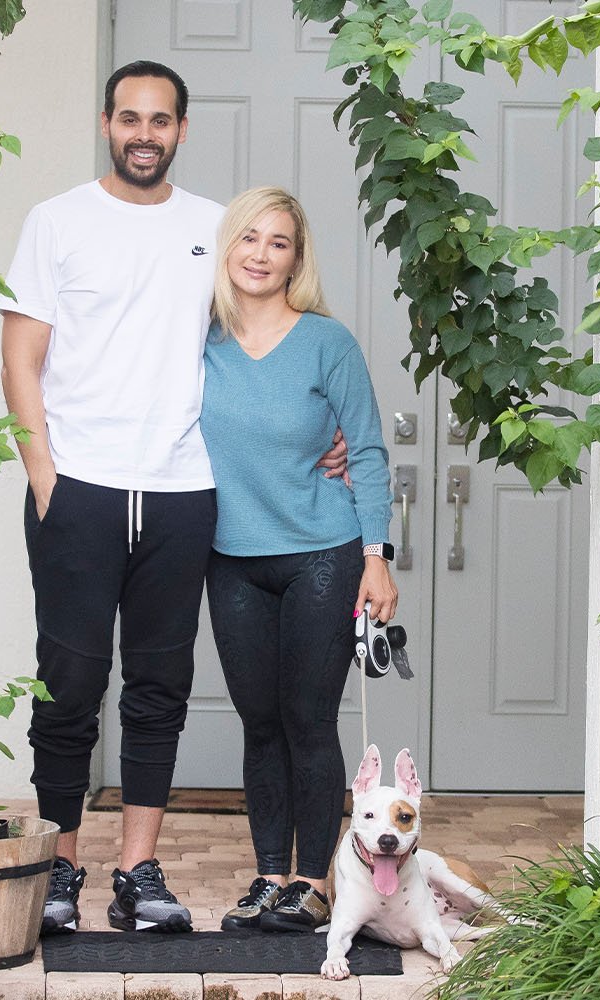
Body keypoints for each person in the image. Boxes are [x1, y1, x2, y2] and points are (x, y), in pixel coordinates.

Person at [0, 63, 347, 935]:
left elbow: (268, 339)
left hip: (186, 495)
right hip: (78, 489)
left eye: (160, 120)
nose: (143, 132)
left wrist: (323, 437)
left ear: (182, 130)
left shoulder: (215, 231)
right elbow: (19, 361)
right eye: (129, 118)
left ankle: (139, 869)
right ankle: (63, 867)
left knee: (160, 686)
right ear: (106, 123)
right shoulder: (57, 222)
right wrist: (47, 478)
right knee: (70, 684)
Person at [198, 187, 398, 933]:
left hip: (322, 551)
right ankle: (267, 879)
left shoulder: (326, 343)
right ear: (227, 248)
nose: (260, 254)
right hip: (231, 558)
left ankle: (313, 883)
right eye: (248, 238)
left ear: (296, 259)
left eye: (277, 242)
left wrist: (376, 556)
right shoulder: (199, 340)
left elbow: (369, 451)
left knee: (308, 719)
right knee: (259, 722)